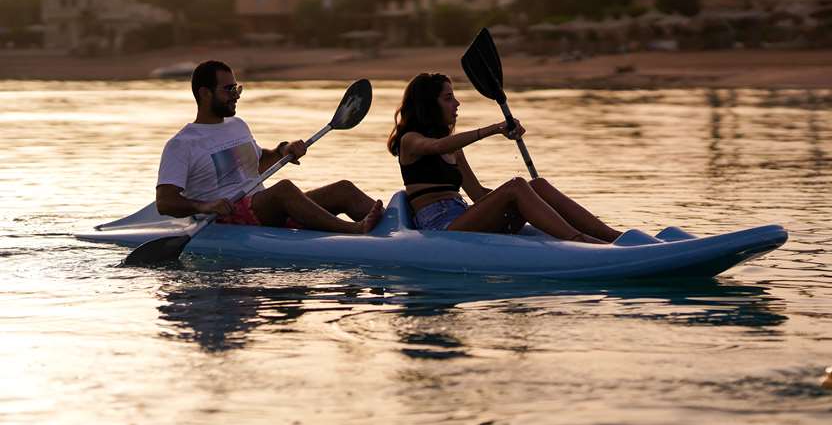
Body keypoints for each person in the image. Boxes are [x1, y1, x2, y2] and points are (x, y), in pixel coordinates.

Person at [386, 72, 622, 244]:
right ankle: (582, 242)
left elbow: (477, 194)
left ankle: (612, 236)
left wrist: (530, 197)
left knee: (535, 185)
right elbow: (436, 146)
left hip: (463, 217)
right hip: (439, 229)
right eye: (448, 98)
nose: (457, 104)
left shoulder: (455, 149)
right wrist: (493, 129)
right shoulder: (410, 141)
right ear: (429, 104)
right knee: (516, 186)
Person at [156, 60, 383, 233]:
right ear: (205, 93)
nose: (236, 96)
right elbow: (165, 202)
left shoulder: (237, 125)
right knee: (283, 189)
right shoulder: (181, 144)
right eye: (229, 90)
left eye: (237, 89)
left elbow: (257, 162)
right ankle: (353, 231)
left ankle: (403, 226)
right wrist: (205, 206)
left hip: (265, 210)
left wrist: (283, 150)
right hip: (226, 218)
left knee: (343, 189)